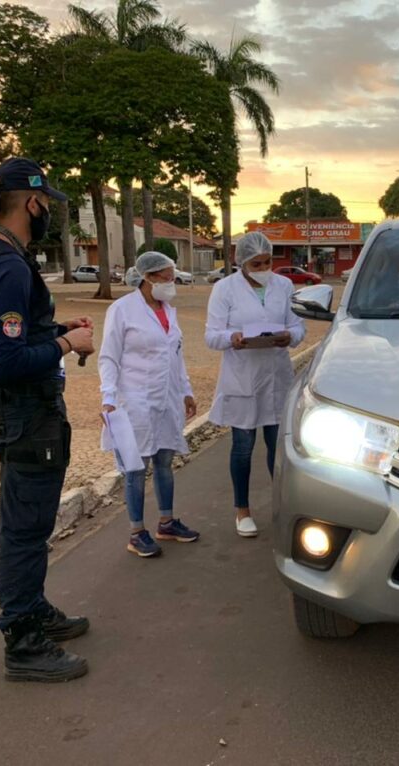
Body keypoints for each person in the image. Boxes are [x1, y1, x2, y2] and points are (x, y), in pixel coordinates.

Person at [0, 157, 93, 683]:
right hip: (27, 412)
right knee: (24, 527)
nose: (48, 216)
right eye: (46, 206)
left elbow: (15, 336)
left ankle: (32, 609)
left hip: (27, 412)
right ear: (32, 203)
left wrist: (57, 326)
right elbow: (6, 361)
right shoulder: (8, 266)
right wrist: (66, 342)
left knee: (31, 523)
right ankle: (22, 638)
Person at [205, 232, 306, 538]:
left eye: (268, 261)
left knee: (278, 450)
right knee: (243, 448)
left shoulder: (284, 285)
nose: (264, 267)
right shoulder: (225, 289)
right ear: (242, 262)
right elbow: (211, 335)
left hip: (276, 375)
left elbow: (298, 325)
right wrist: (232, 338)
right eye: (256, 263)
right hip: (243, 378)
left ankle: (282, 508)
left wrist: (291, 336)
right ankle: (242, 511)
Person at [99, 251, 200, 558]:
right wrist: (109, 398)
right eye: (168, 278)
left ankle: (166, 522)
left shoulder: (169, 311)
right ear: (149, 277)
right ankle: (136, 532)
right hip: (135, 399)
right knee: (135, 467)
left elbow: (176, 356)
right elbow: (109, 357)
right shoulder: (122, 310)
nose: (172, 283)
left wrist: (186, 391)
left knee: (165, 463)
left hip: (166, 398)